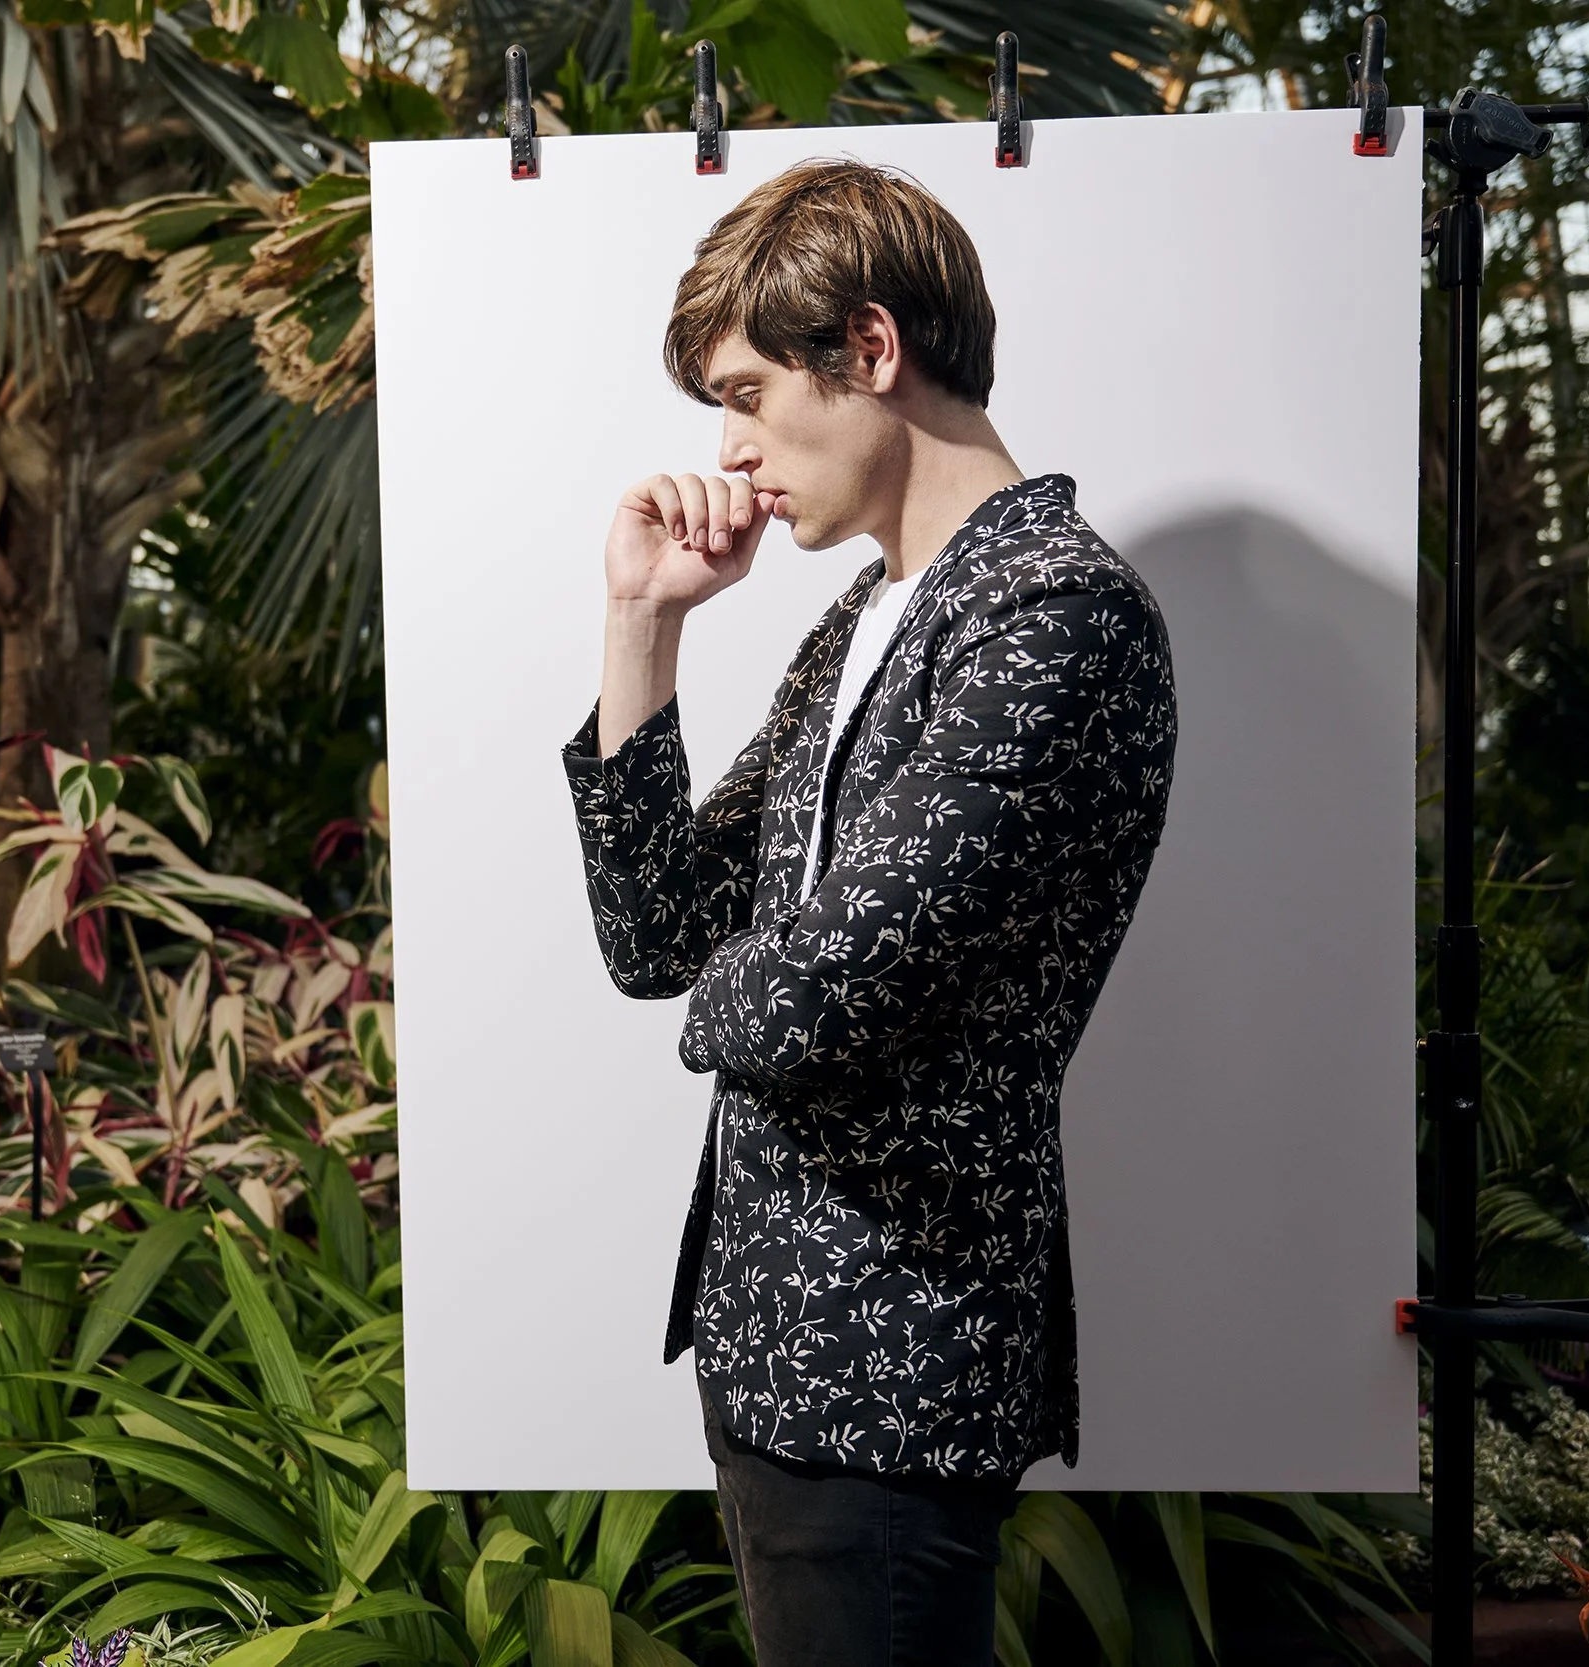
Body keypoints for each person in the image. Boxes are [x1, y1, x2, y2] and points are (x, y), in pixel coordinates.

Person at [558, 158, 1179, 1665]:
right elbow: (662, 937)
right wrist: (643, 621)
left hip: (893, 1358)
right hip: (779, 1346)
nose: (731, 450)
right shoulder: (867, 617)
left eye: (748, 394)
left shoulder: (1054, 616)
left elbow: (811, 997)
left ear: (872, 350)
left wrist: (747, 983)